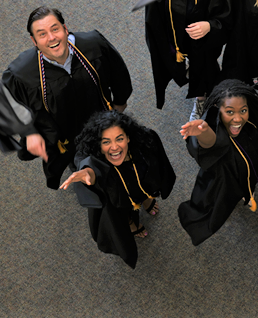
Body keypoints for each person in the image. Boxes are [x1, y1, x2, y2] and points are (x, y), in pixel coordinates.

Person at [0, 6, 133, 189]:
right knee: (88, 173)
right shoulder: (22, 74)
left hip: (103, 117)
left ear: (65, 29)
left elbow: (118, 73)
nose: (51, 38)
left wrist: (120, 101)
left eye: (55, 29)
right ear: (34, 41)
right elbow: (8, 106)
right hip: (65, 136)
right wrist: (29, 133)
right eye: (42, 34)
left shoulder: (93, 45)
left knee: (126, 160)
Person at [60, 111, 175, 268]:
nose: (114, 147)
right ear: (99, 145)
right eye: (106, 142)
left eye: (119, 139)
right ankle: (130, 221)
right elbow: (92, 169)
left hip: (140, 183)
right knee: (120, 211)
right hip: (119, 195)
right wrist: (88, 173)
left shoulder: (143, 144)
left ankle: (146, 199)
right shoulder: (95, 158)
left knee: (145, 187)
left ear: (128, 138)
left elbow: (157, 164)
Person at [178, 79, 258, 246]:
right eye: (229, 112)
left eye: (243, 110)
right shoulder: (217, 132)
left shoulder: (252, 123)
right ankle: (243, 193)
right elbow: (210, 143)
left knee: (248, 183)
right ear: (218, 109)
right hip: (228, 178)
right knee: (228, 198)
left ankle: (247, 190)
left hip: (252, 169)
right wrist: (203, 132)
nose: (237, 119)